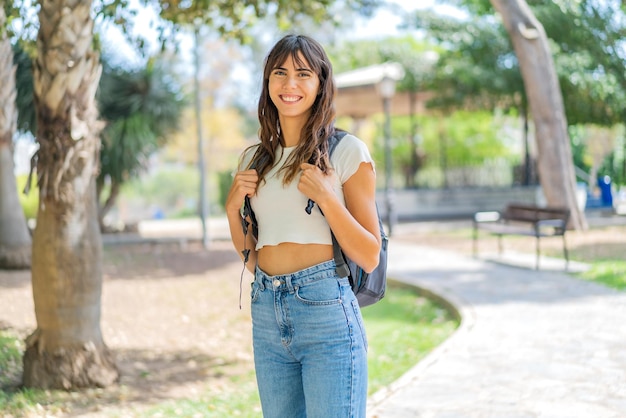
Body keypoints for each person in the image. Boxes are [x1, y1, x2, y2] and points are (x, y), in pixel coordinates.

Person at [225, 34, 381, 418]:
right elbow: (252, 259)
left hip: (325, 308)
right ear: (267, 83)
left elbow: (369, 255)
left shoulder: (345, 152)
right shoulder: (253, 158)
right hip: (266, 309)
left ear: (320, 83)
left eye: (302, 73)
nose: (289, 84)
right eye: (279, 73)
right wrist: (232, 211)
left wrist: (328, 198)